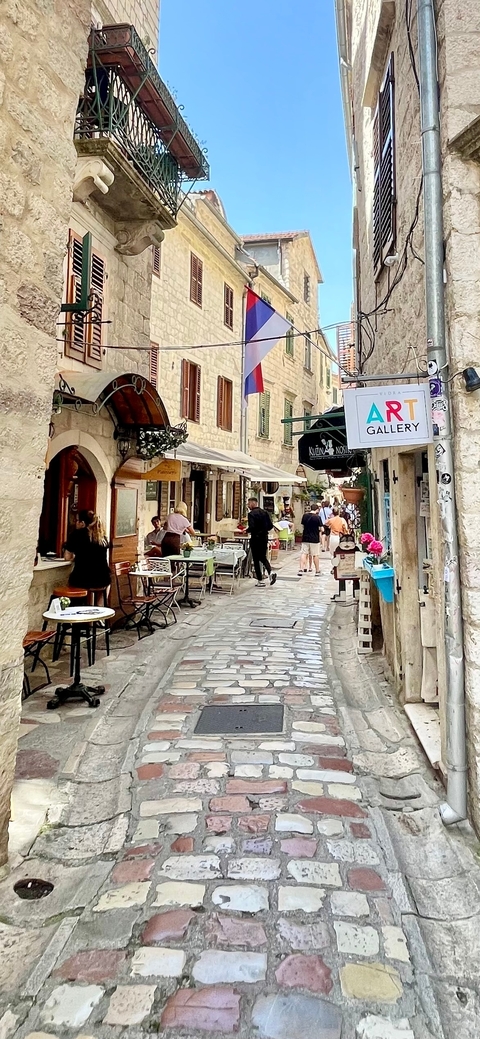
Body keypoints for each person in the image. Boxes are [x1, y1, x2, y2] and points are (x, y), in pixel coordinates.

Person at [64, 510, 111, 603]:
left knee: (76, 585)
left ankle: (84, 611)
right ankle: (100, 615)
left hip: (83, 578)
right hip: (103, 578)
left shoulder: (77, 535)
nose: (75, 523)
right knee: (101, 592)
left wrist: (76, 557)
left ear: (82, 523)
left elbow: (67, 556)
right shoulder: (102, 537)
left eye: (77, 521)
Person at [247, 497, 277, 588]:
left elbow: (252, 527)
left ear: (253, 503)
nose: (248, 506)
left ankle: (260, 580)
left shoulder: (251, 514)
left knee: (256, 559)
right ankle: (270, 572)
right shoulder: (265, 513)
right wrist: (263, 530)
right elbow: (270, 526)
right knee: (263, 557)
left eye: (249, 504)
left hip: (255, 538)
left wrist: (246, 531)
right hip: (264, 537)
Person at [299, 504, 323, 576]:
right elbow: (322, 529)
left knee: (304, 553)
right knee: (315, 555)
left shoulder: (305, 516)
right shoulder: (318, 517)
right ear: (317, 509)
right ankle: (317, 571)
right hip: (314, 539)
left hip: (305, 538)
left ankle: (301, 569)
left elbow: (303, 525)